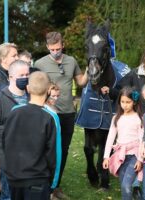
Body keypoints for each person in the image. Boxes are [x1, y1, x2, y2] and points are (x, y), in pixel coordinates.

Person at [34, 31, 88, 199]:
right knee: (46, 150)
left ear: (63, 45)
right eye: (52, 49)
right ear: (47, 47)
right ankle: (44, 186)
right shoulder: (40, 63)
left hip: (67, 113)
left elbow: (81, 82)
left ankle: (56, 186)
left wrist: (91, 66)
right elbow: (35, 88)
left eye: (58, 48)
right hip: (47, 113)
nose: (55, 52)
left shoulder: (71, 61)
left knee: (63, 151)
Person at [3, 71, 59, 200]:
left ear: (27, 88)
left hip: (14, 177)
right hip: (37, 179)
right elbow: (55, 153)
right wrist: (53, 183)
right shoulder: (51, 117)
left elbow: (5, 142)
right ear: (48, 90)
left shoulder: (14, 111)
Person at [0, 60, 30, 200]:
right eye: (21, 75)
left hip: (30, 158)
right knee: (8, 195)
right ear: (11, 77)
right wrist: (14, 135)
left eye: (27, 74)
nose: (25, 78)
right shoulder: (0, 98)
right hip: (9, 158)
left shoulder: (32, 96)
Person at [102, 86, 143, 200]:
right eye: (122, 102)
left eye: (128, 102)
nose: (125, 105)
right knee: (124, 185)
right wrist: (106, 157)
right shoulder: (116, 118)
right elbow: (110, 137)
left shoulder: (139, 118)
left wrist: (140, 159)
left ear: (134, 102)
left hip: (134, 155)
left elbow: (142, 140)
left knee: (126, 185)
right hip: (121, 156)